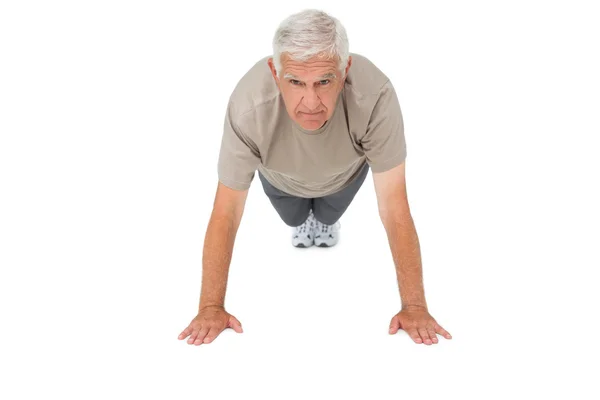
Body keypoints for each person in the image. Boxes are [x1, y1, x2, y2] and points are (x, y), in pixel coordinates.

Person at [178, 9, 452, 346]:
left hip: (344, 177)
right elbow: (226, 212)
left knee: (327, 214)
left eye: (324, 81)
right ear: (275, 73)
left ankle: (323, 222)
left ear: (345, 69)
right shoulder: (249, 106)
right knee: (294, 217)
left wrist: (415, 306)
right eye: (295, 82)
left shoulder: (375, 96)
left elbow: (395, 207)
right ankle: (304, 222)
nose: (311, 102)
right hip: (281, 180)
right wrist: (210, 306)